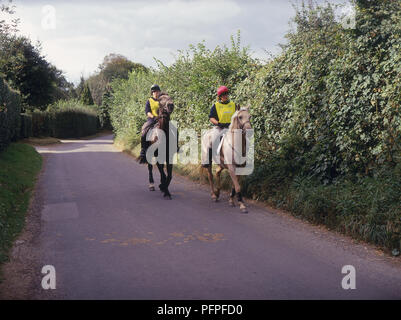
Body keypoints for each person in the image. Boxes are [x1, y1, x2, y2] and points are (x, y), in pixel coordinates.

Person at [203, 85, 239, 167]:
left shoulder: (233, 105)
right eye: (223, 95)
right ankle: (207, 160)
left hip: (231, 127)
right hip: (220, 127)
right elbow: (211, 117)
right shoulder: (216, 105)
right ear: (220, 97)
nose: (225, 96)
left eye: (226, 94)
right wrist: (219, 123)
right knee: (213, 139)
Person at [138, 84, 161, 164]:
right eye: (154, 92)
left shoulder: (162, 100)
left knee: (173, 129)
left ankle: (175, 146)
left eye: (157, 91)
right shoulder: (149, 101)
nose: (156, 93)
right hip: (152, 120)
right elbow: (147, 112)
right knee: (144, 132)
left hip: (162, 119)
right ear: (152, 93)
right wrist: (154, 117)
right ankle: (143, 151)